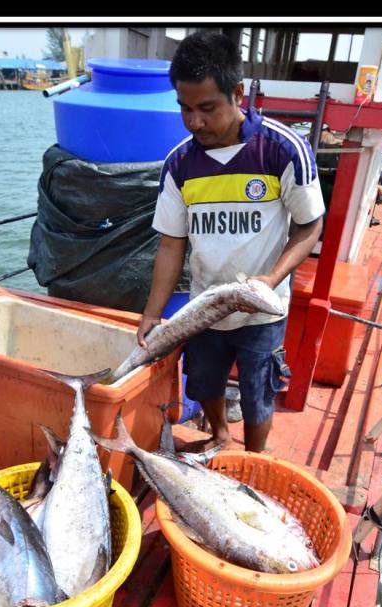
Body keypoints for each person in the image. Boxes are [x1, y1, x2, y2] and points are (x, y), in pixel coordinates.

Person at [136, 31, 325, 454]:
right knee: (202, 379)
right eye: (184, 108)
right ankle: (220, 433)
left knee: (259, 390)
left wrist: (269, 280)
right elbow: (171, 245)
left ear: (238, 93)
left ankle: (255, 459)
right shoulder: (180, 163)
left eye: (207, 108)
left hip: (263, 307)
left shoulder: (281, 150)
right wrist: (151, 313)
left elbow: (311, 226)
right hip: (205, 306)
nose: (194, 121)